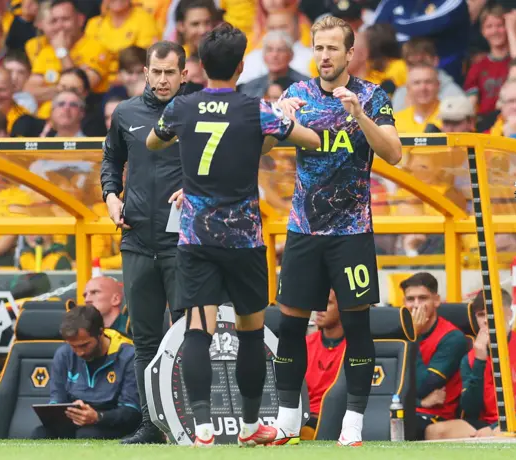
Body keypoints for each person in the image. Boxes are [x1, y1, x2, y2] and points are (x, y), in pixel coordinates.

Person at [146, 23, 320, 447]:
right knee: (250, 333)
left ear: (200, 67)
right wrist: (287, 120)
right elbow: (311, 141)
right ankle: (247, 426)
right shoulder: (257, 109)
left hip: (196, 239)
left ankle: (202, 428)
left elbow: (153, 142)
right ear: (242, 66)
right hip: (243, 241)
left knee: (197, 332)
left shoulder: (183, 108)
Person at [272, 15, 402, 447]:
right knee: (290, 326)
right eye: (318, 47)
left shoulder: (371, 95)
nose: (324, 55)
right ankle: (289, 418)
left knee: (357, 327)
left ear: (350, 53)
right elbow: (264, 147)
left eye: (332, 48)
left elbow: (394, 154)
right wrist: (276, 120)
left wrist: (359, 115)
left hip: (351, 232)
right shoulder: (297, 94)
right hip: (304, 229)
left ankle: (353, 423)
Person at [101, 40, 189, 445]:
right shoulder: (125, 113)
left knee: (190, 336)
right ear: (145, 73)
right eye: (156, 72)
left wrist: (194, 189)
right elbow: (110, 161)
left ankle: (192, 423)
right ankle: (151, 426)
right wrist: (110, 196)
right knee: (145, 340)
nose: (162, 79)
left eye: (170, 72)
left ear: (184, 74)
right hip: (136, 241)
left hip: (183, 243)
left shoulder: (196, 111)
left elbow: (221, 163)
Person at [425, 290, 516, 439]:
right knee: (434, 431)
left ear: (509, 314)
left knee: (499, 433)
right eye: (481, 314)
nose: (486, 320)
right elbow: (470, 410)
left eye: (492, 312)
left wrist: (500, 427)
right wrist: (479, 361)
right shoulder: (470, 358)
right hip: (488, 424)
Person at [31, 306, 141, 440]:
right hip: (73, 423)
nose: (79, 352)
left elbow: (132, 412)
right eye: (73, 346)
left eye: (84, 345)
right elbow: (57, 400)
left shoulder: (128, 356)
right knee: (40, 434)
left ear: (100, 332)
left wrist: (97, 417)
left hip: (111, 424)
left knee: (87, 435)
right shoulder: (64, 354)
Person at [400, 272, 468, 440]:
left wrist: (412, 339)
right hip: (402, 409)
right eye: (410, 299)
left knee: (397, 430)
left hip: (435, 417)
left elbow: (424, 386)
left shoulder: (452, 338)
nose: (416, 305)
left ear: (436, 300)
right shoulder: (394, 332)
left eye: (423, 298)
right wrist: (419, 402)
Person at [303, 290, 344, 440]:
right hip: (305, 416)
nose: (319, 309)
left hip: (337, 418)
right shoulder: (305, 344)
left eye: (327, 303)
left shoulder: (356, 347)